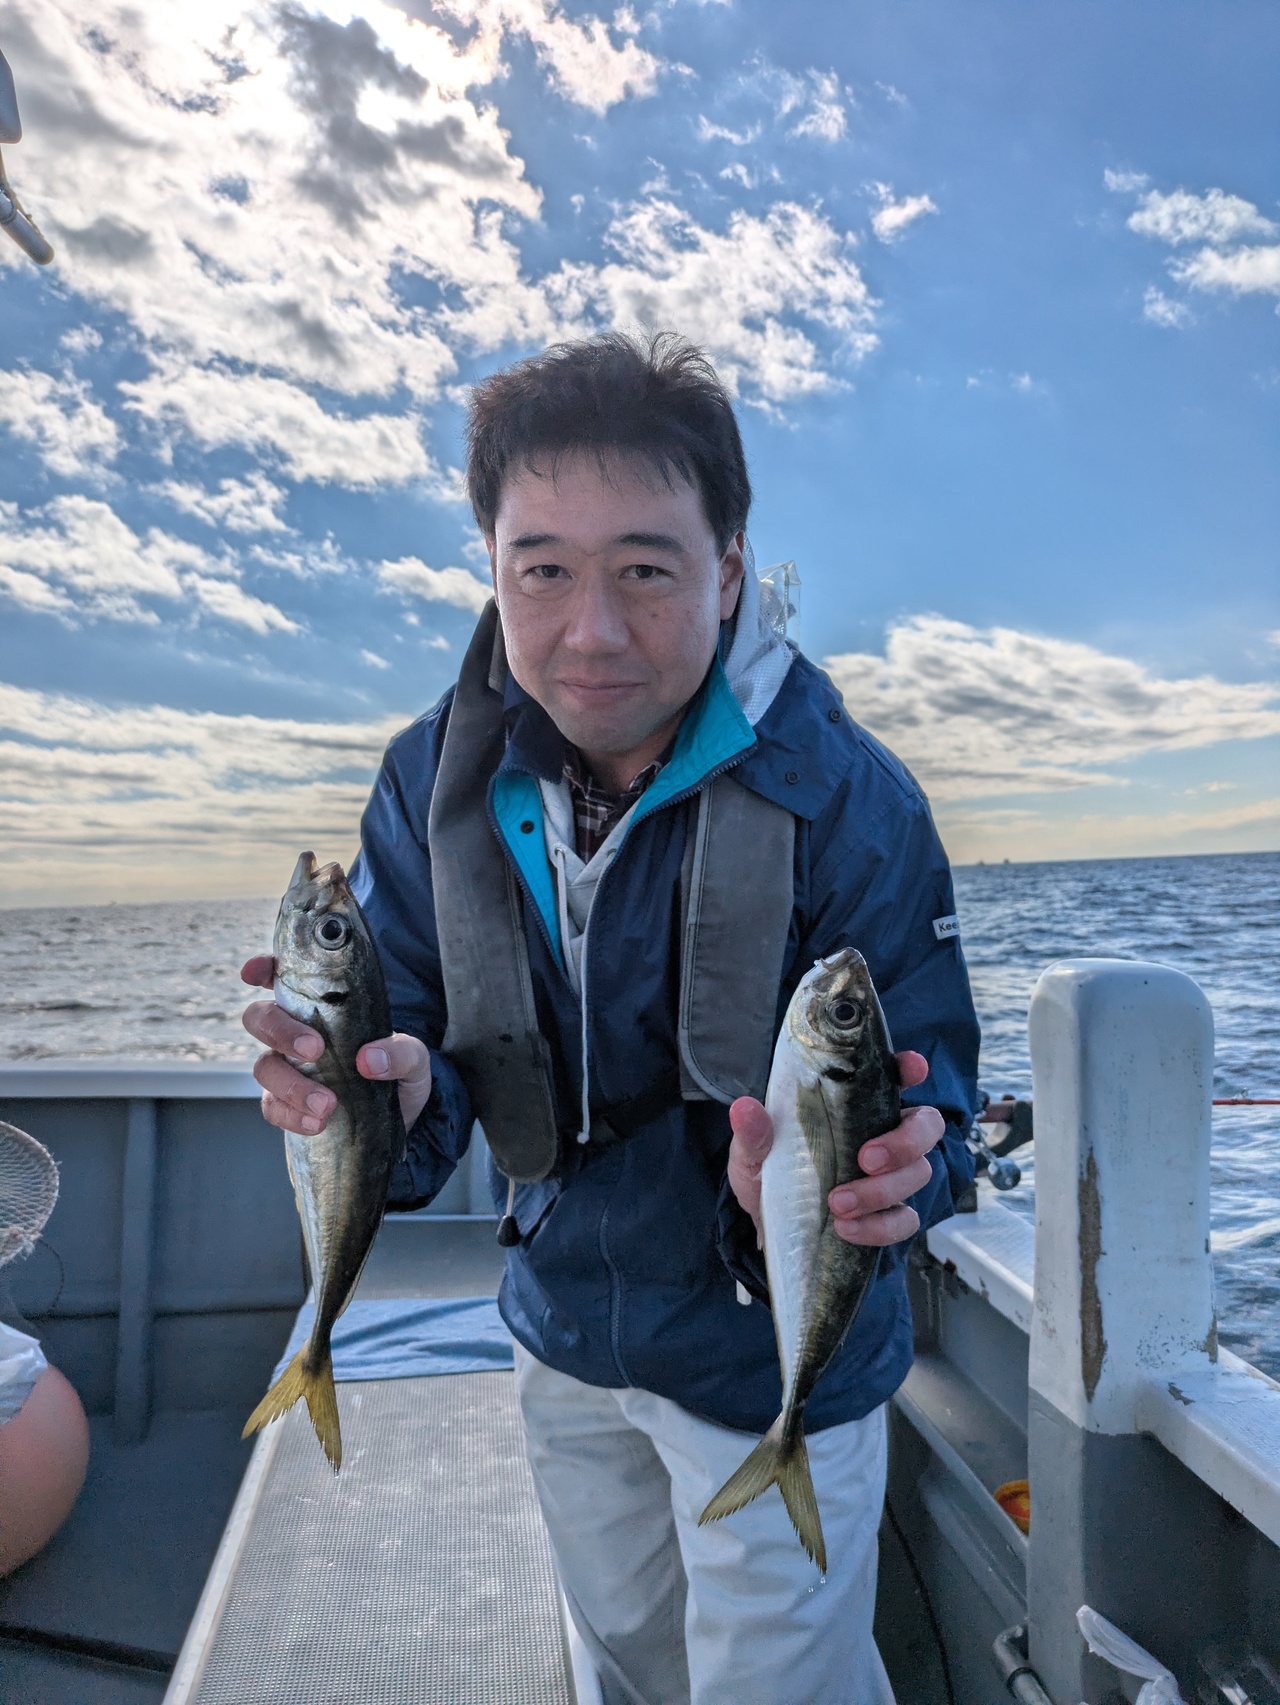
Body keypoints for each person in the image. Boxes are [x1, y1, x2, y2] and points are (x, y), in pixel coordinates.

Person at [242, 332, 979, 1705]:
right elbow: (420, 1039)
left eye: (645, 569)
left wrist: (888, 1180)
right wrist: (387, 1097)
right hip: (564, 1325)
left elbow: (936, 1105)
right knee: (625, 1663)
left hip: (771, 1348)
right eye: (543, 571)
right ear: (491, 568)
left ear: (731, 568)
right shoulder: (431, 779)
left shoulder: (850, 799)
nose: (590, 631)